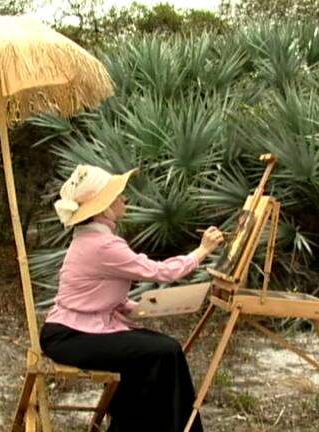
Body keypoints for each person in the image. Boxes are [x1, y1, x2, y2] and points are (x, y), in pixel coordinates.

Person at [40, 164, 224, 432]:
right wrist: (202, 251)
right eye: (117, 195)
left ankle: (138, 425)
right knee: (164, 351)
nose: (124, 199)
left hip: (74, 331)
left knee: (162, 350)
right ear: (104, 208)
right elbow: (160, 272)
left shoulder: (91, 238)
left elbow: (94, 294)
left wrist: (143, 308)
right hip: (69, 336)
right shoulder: (103, 245)